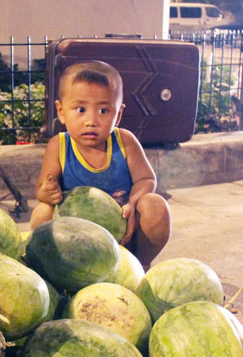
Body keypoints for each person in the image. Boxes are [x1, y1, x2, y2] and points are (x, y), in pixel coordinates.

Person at [30, 60, 171, 269]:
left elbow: (146, 179)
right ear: (61, 111)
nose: (91, 121)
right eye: (80, 109)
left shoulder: (125, 141)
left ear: (118, 114)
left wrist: (132, 203)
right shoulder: (58, 146)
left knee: (155, 206)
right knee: (42, 212)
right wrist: (48, 191)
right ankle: (58, 269)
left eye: (103, 111)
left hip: (123, 230)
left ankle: (139, 266)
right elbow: (42, 190)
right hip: (74, 236)